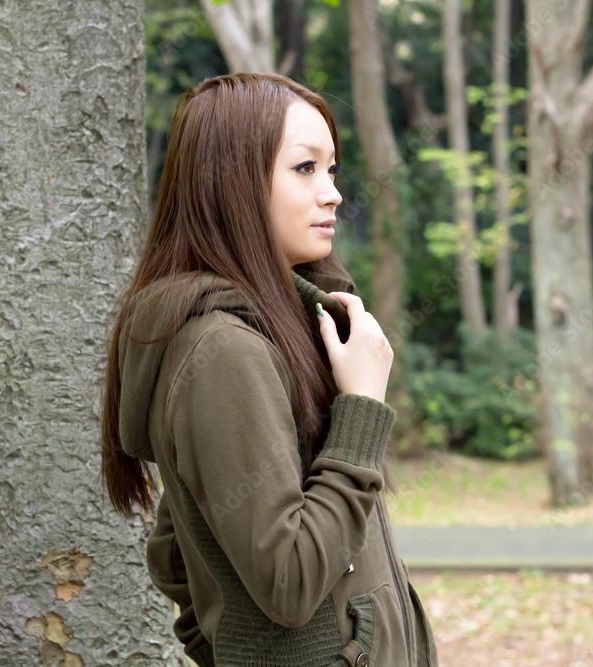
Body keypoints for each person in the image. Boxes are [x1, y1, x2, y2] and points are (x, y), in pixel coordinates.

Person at [99, 72, 438, 667]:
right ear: (232, 184)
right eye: (306, 169)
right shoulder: (222, 352)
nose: (332, 192)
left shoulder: (282, 324)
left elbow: (177, 554)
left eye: (331, 170)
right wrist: (361, 408)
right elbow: (288, 580)